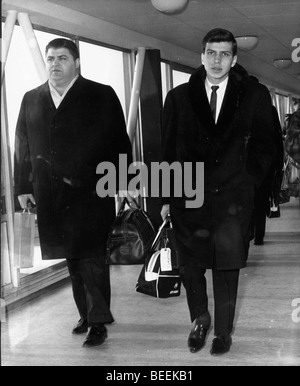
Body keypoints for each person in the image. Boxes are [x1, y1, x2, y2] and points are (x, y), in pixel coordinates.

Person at [160, 28, 277, 356]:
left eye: (224, 54)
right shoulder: (179, 98)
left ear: (234, 59)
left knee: (226, 267)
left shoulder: (254, 95)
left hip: (232, 199)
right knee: (190, 266)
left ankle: (223, 332)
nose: (216, 59)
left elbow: (268, 145)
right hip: (189, 197)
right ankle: (200, 318)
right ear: (201, 56)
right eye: (211, 52)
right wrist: (166, 198)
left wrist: (248, 179)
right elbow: (167, 150)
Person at [14, 38, 132, 347]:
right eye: (50, 58)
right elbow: (22, 146)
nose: (55, 63)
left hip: (92, 192)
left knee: (92, 257)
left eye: (62, 58)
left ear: (76, 63)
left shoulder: (101, 95)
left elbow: (119, 141)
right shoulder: (31, 98)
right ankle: (87, 314)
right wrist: (22, 187)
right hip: (51, 195)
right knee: (72, 259)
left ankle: (97, 321)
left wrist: (122, 181)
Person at [250, 76, 284, 245]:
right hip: (266, 165)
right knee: (261, 200)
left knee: (251, 201)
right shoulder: (270, 110)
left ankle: (251, 234)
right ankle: (258, 236)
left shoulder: (240, 108)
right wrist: (278, 164)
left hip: (251, 165)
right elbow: (277, 138)